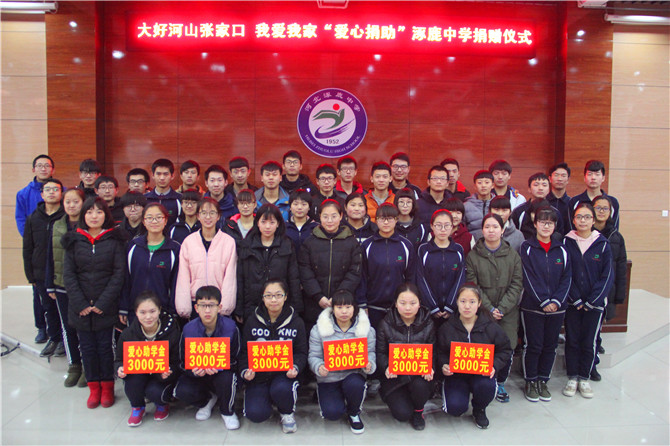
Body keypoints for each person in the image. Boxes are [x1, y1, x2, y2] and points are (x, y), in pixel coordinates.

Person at [62, 197, 126, 409]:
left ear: (105, 215)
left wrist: (103, 303)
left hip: (105, 307)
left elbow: (118, 274)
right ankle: (93, 388)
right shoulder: (73, 241)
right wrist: (81, 303)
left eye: (99, 212)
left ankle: (107, 388)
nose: (94, 216)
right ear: (84, 215)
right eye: (89, 212)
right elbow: (69, 275)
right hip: (80, 307)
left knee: (105, 348)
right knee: (87, 348)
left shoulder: (114, 240)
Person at [437, 284, 513, 429]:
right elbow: (440, 352)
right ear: (457, 302)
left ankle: (479, 409)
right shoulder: (447, 328)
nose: (467, 306)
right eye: (463, 301)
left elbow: (505, 350)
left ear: (479, 303)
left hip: (481, 375)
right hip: (456, 376)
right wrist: (444, 365)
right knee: (455, 408)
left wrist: (494, 365)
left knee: (486, 386)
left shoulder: (491, 327)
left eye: (472, 302)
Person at [466, 213, 523, 403]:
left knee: (507, 346)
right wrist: (489, 308)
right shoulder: (473, 256)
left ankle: (501, 382)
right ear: (482, 230)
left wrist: (503, 308)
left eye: (495, 227)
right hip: (482, 311)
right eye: (487, 227)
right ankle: (482, 383)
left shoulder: (512, 255)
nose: (491, 230)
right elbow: (473, 285)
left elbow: (517, 283)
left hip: (508, 311)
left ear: (502, 230)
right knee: (483, 346)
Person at [239, 280, 308, 433]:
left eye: (278, 295)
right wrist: (245, 371)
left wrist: (295, 367)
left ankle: (286, 412)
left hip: (284, 375)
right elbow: (244, 352)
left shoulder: (296, 322)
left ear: (285, 297)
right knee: (256, 414)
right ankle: (265, 399)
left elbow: (301, 352)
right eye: (269, 296)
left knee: (281, 389)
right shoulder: (252, 320)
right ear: (263, 298)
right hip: (259, 376)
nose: (273, 300)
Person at [519, 207, 571, 402]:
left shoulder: (562, 249)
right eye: (542, 222)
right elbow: (527, 276)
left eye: (550, 223)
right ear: (535, 224)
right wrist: (543, 300)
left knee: (550, 346)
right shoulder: (527, 247)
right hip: (533, 306)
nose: (546, 226)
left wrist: (556, 301)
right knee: (533, 345)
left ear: (555, 225)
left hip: (557, 308)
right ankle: (531, 381)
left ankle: (543, 380)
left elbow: (567, 277)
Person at [562, 203, 613, 399]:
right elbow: (565, 273)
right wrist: (575, 298)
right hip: (573, 303)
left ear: (593, 220)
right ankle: (572, 377)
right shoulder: (566, 242)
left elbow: (607, 276)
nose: (582, 221)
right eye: (579, 217)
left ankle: (584, 377)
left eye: (587, 217)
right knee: (572, 340)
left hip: (595, 304)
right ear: (573, 220)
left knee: (589, 341)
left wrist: (593, 300)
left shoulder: (603, 244)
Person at [173, 286, 241, 430]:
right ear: (196, 308)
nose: (207, 310)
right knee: (181, 390)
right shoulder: (188, 329)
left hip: (222, 373)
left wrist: (220, 366)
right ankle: (206, 402)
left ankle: (227, 412)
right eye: (203, 306)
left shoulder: (231, 327)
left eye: (212, 305)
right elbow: (182, 361)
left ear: (219, 307)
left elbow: (237, 358)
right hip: (198, 374)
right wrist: (193, 371)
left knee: (228, 379)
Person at [308, 290, 376, 434]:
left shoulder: (366, 329)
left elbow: (370, 353)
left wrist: (369, 364)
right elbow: (313, 356)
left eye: (348, 307)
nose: (344, 311)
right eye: (339, 307)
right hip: (329, 377)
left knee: (355, 384)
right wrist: (319, 367)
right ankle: (335, 398)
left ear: (354, 308)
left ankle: (354, 412)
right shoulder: (319, 329)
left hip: (353, 375)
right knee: (332, 413)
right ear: (332, 309)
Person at [115, 291, 181, 426]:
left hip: (160, 377)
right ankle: (137, 407)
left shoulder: (172, 332)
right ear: (136, 313)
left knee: (155, 392)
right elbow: (118, 360)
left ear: (159, 310)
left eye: (152, 311)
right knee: (131, 382)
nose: (148, 317)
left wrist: (169, 371)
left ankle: (162, 405)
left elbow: (177, 362)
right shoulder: (128, 334)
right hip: (139, 374)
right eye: (143, 312)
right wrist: (120, 368)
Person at [376, 283, 435, 430]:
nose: (408, 308)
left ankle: (419, 412)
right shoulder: (385, 323)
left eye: (412, 303)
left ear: (419, 303)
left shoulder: (428, 323)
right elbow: (380, 353)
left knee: (420, 387)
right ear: (396, 304)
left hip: (418, 377)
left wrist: (431, 367)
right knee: (402, 414)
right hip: (395, 379)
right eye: (402, 303)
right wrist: (387, 366)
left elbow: (433, 351)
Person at [298, 199, 362, 333]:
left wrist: (339, 296)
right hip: (314, 303)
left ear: (341, 216)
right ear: (319, 217)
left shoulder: (351, 242)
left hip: (343, 304)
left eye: (334, 216)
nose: (330, 221)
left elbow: (354, 271)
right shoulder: (310, 242)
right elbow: (305, 271)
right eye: (325, 216)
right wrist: (318, 296)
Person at [46, 187, 86, 387]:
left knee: (85, 327)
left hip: (85, 285)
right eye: (68, 202)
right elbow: (50, 255)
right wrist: (49, 284)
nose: (71, 205)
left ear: (83, 203)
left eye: (75, 201)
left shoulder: (89, 224)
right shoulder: (57, 225)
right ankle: (74, 365)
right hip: (61, 284)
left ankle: (87, 366)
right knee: (68, 326)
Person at [235, 204, 301, 323]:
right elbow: (240, 278)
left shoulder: (286, 244)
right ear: (257, 223)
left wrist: (296, 307)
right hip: (253, 305)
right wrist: (239, 308)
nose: (267, 226)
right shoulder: (247, 245)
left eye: (272, 222)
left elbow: (293, 278)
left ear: (278, 224)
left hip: (280, 305)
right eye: (263, 222)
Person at [175, 197, 237, 320]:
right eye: (204, 213)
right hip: (196, 302)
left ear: (218, 216)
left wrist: (226, 306)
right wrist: (184, 307)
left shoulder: (228, 242)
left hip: (218, 302)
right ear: (198, 216)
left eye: (212, 213)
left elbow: (230, 277)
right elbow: (183, 276)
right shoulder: (189, 242)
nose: (208, 217)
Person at [24, 178, 66, 357]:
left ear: (61, 193)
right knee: (48, 307)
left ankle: (65, 340)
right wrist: (30, 275)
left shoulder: (66, 217)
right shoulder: (33, 218)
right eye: (48, 190)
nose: (52, 192)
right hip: (41, 271)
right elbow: (28, 247)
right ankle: (54, 338)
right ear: (42, 194)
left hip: (62, 271)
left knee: (64, 309)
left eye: (55, 189)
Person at [357, 203, 416, 328]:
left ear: (396, 220)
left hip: (399, 307)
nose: (386, 222)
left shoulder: (406, 245)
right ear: (376, 220)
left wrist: (409, 303)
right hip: (373, 306)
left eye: (390, 218)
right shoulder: (367, 245)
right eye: (382, 218)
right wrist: (362, 303)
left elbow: (411, 277)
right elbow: (362, 276)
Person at [120, 203, 181, 324]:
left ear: (165, 221)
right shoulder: (133, 246)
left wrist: (173, 311)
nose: (154, 221)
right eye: (149, 218)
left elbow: (176, 283)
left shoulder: (174, 249)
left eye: (159, 217)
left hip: (163, 311)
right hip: (135, 310)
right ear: (143, 221)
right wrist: (123, 307)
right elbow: (125, 279)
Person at [591, 195, 627, 380]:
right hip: (585, 290)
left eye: (605, 208)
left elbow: (621, 267)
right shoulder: (583, 233)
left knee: (596, 330)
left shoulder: (616, 236)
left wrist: (619, 295)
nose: (601, 211)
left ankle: (592, 364)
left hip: (606, 289)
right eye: (598, 208)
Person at [416, 210, 466, 323]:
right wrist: (432, 306)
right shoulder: (423, 250)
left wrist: (450, 306)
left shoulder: (458, 250)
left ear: (452, 227)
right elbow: (421, 279)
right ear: (432, 226)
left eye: (447, 225)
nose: (443, 229)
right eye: (438, 225)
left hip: (452, 311)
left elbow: (460, 279)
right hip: (429, 310)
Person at [569, 160, 620, 230]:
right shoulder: (574, 201)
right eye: (590, 174)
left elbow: (614, 229)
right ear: (584, 178)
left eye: (597, 174)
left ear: (603, 178)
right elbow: (571, 228)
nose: (593, 178)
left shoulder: (613, 202)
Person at [16, 154, 55, 237]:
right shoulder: (23, 194)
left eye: (47, 166)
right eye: (39, 166)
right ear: (33, 170)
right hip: (34, 238)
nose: (43, 169)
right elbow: (20, 218)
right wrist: (28, 237)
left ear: (53, 170)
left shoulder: (62, 191)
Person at [145, 158, 181, 226]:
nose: (162, 178)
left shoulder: (180, 199)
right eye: (158, 174)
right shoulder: (145, 199)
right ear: (153, 175)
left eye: (165, 174)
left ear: (172, 176)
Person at [285, 189, 318, 254]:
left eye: (304, 204)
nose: (299, 207)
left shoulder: (316, 228)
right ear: (290, 207)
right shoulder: (284, 227)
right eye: (295, 204)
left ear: (309, 207)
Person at [547, 162, 571, 236]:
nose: (559, 179)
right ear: (550, 179)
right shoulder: (544, 202)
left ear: (568, 180)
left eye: (563, 176)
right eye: (556, 175)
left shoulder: (572, 203)